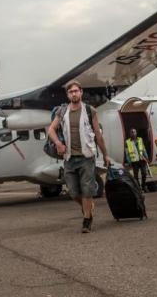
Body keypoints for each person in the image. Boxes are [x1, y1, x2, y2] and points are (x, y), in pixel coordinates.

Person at [48, 80, 110, 233]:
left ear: (81, 92)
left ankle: (87, 220)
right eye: (71, 92)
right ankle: (87, 207)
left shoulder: (90, 111)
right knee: (74, 192)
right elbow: (51, 129)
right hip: (69, 158)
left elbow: (98, 135)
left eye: (76, 91)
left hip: (86, 157)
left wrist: (106, 155)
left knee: (87, 190)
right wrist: (58, 143)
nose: (74, 93)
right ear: (68, 95)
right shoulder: (62, 111)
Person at [125, 128, 149, 192]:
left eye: (134, 132)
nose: (133, 133)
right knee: (136, 176)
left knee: (144, 173)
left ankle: (143, 186)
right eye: (132, 132)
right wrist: (129, 161)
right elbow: (127, 153)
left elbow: (143, 149)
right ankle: (139, 188)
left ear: (136, 133)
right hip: (134, 161)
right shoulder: (127, 142)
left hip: (142, 159)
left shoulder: (140, 140)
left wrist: (146, 157)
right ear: (130, 134)